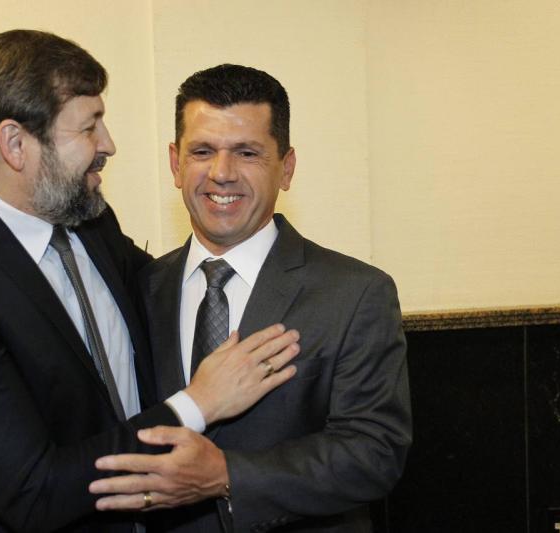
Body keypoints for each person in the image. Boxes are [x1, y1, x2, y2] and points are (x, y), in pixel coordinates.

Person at [0, 33, 300, 533]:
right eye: (89, 127)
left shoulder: (85, 214)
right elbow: (35, 493)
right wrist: (200, 402)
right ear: (15, 144)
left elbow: (162, 286)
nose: (108, 144)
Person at [90, 64, 412, 532]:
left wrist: (226, 476)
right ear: (176, 164)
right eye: (202, 151)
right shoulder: (138, 289)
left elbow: (374, 454)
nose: (222, 173)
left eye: (247, 153)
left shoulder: (355, 292)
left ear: (287, 168)